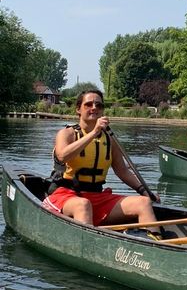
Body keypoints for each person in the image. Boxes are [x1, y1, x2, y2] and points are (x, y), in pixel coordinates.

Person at [42, 90, 158, 226]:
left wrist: (144, 191)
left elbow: (123, 171)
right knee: (83, 205)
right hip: (66, 195)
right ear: (78, 109)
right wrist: (94, 132)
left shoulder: (109, 139)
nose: (94, 108)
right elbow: (62, 156)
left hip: (97, 197)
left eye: (99, 105)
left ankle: (154, 241)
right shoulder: (67, 134)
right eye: (88, 104)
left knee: (143, 203)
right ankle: (89, 244)